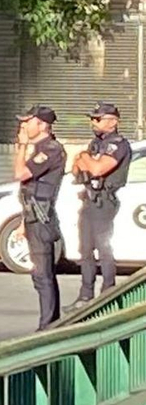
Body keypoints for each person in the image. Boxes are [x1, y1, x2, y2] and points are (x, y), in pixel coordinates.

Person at [70, 102, 131, 311]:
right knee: (85, 249)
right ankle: (85, 295)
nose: (93, 123)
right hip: (89, 199)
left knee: (104, 249)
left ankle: (107, 295)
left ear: (113, 121)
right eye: (92, 119)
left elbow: (97, 169)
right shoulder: (96, 144)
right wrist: (84, 160)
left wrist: (84, 157)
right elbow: (77, 170)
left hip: (105, 201)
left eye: (97, 119)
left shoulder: (118, 144)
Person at [14, 105, 66, 329]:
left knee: (43, 275)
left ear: (42, 125)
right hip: (33, 217)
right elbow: (29, 191)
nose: (24, 127)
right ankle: (49, 322)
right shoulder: (40, 149)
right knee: (40, 275)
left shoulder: (51, 149)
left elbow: (20, 174)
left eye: (28, 122)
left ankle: (48, 326)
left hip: (42, 221)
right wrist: (22, 224)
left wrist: (22, 145)